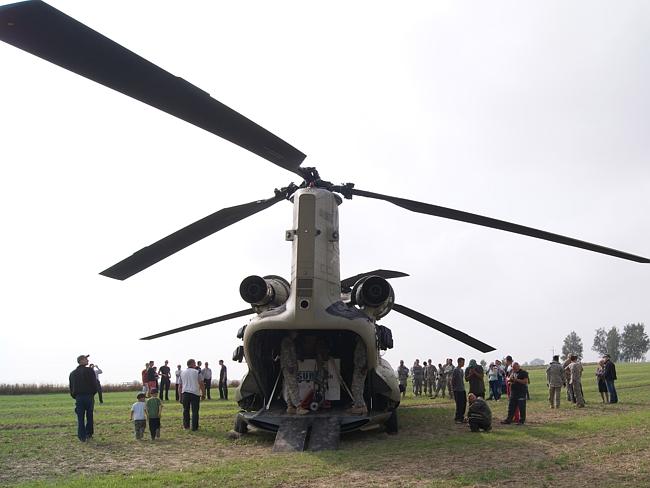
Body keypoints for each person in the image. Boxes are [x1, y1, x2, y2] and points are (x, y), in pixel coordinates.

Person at [69, 354, 97, 442]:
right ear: (81, 360)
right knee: (90, 415)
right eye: (86, 359)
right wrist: (93, 393)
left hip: (78, 397)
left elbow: (71, 387)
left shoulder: (72, 373)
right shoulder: (90, 371)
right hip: (89, 396)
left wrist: (75, 396)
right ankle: (89, 433)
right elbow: (94, 383)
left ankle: (81, 436)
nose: (88, 361)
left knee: (80, 417)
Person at [280, 332, 309, 415]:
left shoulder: (290, 341)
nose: (296, 334)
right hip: (289, 367)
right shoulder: (287, 341)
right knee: (293, 386)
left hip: (289, 367)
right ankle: (299, 407)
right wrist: (290, 366)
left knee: (289, 387)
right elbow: (287, 354)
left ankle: (290, 407)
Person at [180, 359, 206, 430]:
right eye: (194, 363)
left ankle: (186, 426)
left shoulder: (182, 373)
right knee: (195, 411)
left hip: (185, 393)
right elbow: (201, 383)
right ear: (192, 364)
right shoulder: (197, 372)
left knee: (185, 410)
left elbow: (180, 386)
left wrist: (180, 396)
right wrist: (203, 394)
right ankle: (194, 427)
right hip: (195, 393)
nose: (195, 365)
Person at [346, 336, 368, 415]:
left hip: (361, 368)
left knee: (357, 387)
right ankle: (358, 405)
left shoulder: (364, 344)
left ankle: (361, 406)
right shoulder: (360, 344)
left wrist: (365, 367)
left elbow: (369, 356)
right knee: (356, 387)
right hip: (358, 367)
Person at [452, 357, 466, 424]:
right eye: (463, 362)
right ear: (459, 362)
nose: (463, 363)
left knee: (463, 403)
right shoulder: (456, 370)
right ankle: (457, 418)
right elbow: (453, 380)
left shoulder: (461, 370)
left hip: (462, 389)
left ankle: (461, 417)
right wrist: (454, 389)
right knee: (459, 404)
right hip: (457, 390)